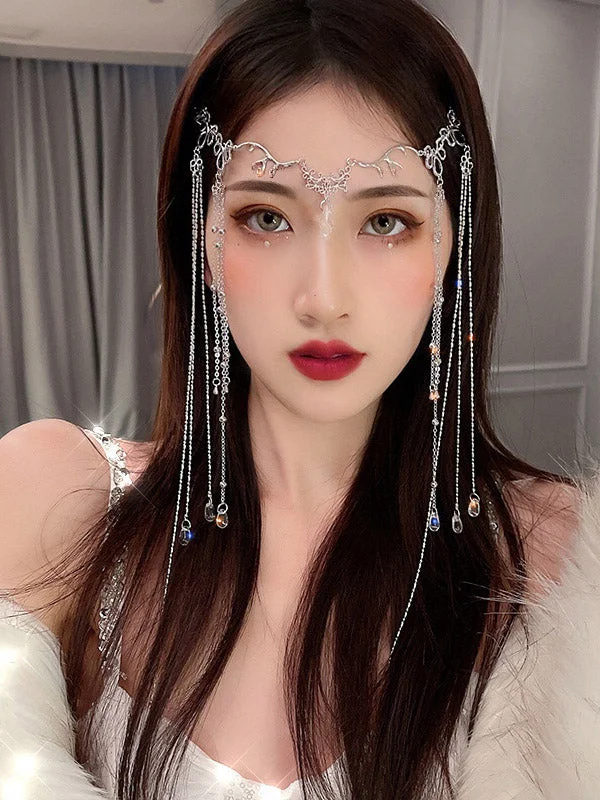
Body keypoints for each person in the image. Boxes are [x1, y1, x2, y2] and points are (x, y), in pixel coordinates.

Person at [0, 0, 598, 798]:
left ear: (453, 245)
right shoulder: (56, 500)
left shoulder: (557, 559)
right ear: (200, 240)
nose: (323, 298)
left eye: (386, 220)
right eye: (266, 216)